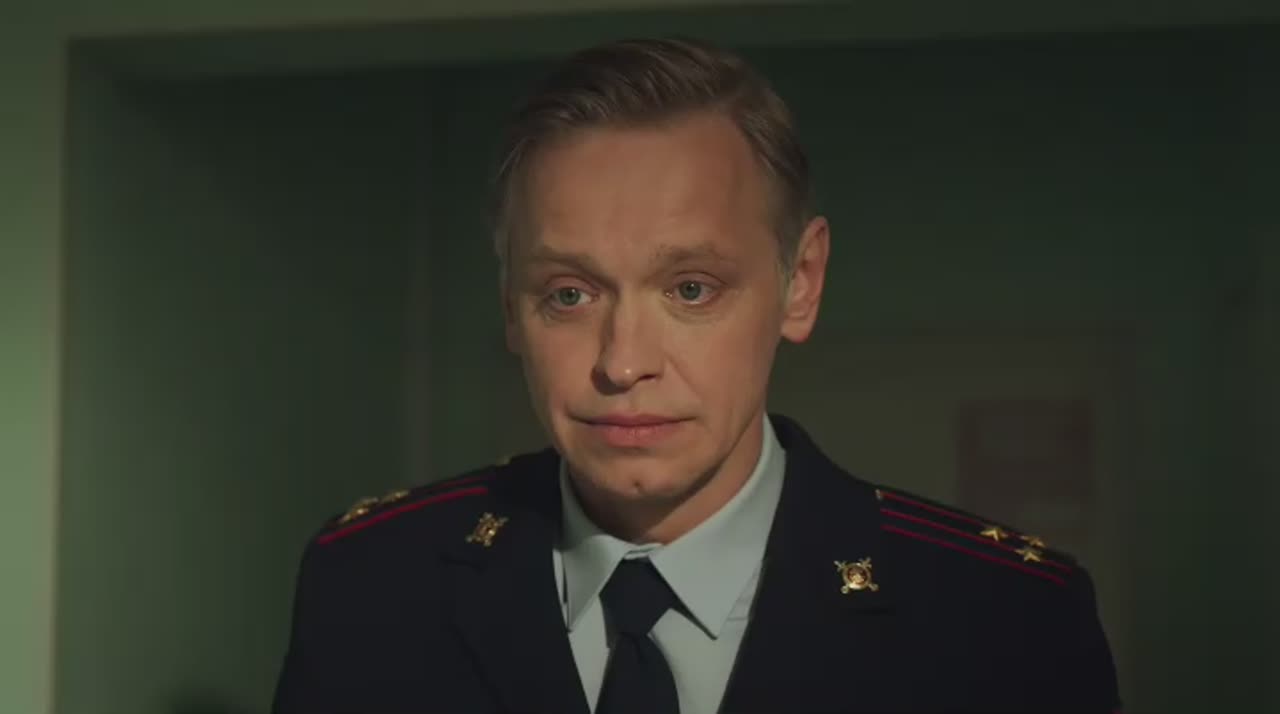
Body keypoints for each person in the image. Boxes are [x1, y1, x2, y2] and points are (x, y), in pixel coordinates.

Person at [271, 37, 1121, 714]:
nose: (623, 363)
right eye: (568, 294)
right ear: (510, 308)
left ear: (800, 283)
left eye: (691, 289)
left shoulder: (1002, 619)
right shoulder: (373, 587)